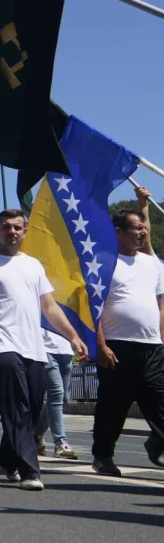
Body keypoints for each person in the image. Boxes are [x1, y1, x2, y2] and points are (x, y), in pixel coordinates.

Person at [0, 209, 89, 491]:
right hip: (3, 345)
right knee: (17, 406)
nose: (12, 232)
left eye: (17, 227)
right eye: (6, 227)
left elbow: (49, 307)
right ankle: (30, 470)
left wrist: (73, 336)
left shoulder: (33, 265)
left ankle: (6, 456)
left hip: (35, 348)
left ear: (25, 231)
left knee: (32, 406)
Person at [91, 190, 164, 476]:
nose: (142, 232)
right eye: (136, 228)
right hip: (117, 347)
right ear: (118, 233)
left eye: (143, 228)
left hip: (152, 348)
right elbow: (93, 308)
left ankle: (157, 443)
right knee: (113, 406)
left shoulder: (152, 263)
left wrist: (162, 340)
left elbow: (160, 306)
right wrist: (100, 346)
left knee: (160, 403)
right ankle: (103, 456)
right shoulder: (103, 262)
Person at [34, 329, 77, 460]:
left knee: (63, 398)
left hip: (66, 351)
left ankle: (36, 436)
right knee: (57, 392)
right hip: (44, 349)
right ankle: (60, 443)